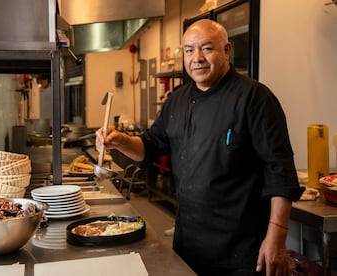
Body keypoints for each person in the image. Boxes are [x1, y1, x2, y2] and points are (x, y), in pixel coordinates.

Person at [96, 19, 303, 276]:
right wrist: (121, 142)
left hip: (241, 251)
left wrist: (277, 237)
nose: (197, 58)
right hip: (189, 244)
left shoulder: (255, 98)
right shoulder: (178, 100)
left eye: (207, 48)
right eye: (189, 50)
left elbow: (280, 171)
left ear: (226, 50)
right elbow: (150, 147)